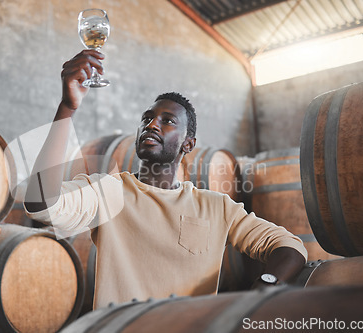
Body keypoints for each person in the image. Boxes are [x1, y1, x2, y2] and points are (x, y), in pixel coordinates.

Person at [25, 50, 307, 310]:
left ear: (188, 144)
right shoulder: (108, 191)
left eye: (167, 120)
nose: (151, 124)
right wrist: (67, 108)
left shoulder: (216, 206)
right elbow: (41, 203)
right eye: (147, 118)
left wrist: (265, 286)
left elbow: (291, 247)